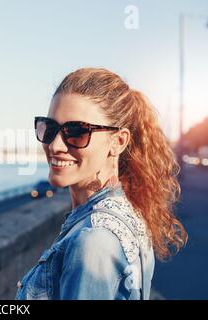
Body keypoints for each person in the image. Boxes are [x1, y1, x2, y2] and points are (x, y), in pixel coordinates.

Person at [15, 67, 188, 300]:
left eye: (76, 132)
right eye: (50, 128)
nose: (55, 145)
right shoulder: (128, 211)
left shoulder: (94, 241)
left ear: (118, 141)